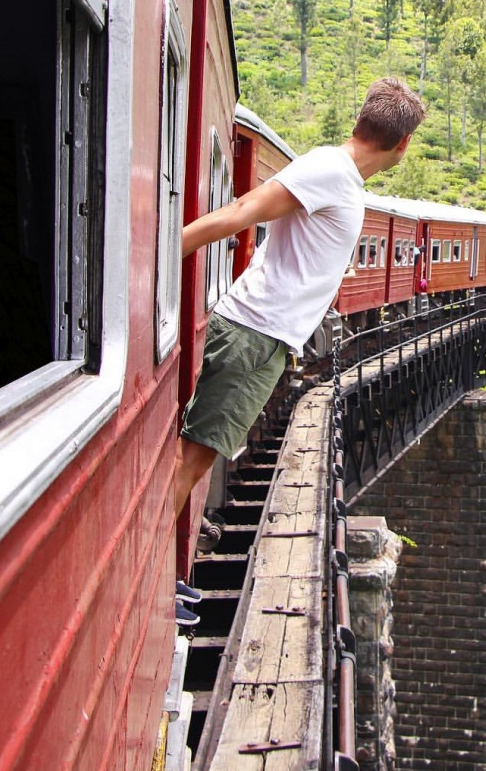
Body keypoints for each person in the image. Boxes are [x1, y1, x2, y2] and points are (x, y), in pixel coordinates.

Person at [173, 77, 425, 624]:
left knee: (199, 456)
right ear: (403, 144)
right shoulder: (330, 170)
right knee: (194, 458)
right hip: (254, 333)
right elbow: (243, 210)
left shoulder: (344, 180)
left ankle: (162, 575)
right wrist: (159, 253)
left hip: (264, 337)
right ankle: (148, 583)